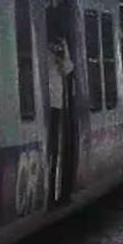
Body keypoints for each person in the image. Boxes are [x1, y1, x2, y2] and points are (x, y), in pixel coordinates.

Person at [47, 37, 74, 203]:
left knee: (56, 150)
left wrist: (63, 55)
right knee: (50, 150)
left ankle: (54, 191)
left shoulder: (60, 46)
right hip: (42, 104)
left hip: (55, 103)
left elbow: (68, 69)